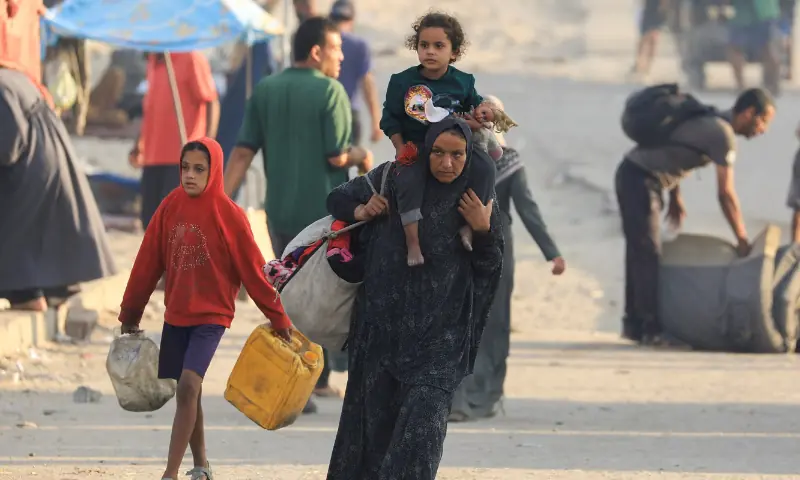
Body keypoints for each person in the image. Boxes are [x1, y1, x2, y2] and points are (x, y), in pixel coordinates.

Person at [325, 117, 503, 479]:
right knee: (370, 438)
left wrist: (482, 230)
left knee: (423, 433)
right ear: (426, 151)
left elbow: (490, 265)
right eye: (438, 153)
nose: (447, 163)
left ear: (469, 155)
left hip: (440, 340)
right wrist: (363, 209)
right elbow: (337, 199)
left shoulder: (477, 198)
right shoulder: (394, 177)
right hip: (381, 335)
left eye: (457, 155)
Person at [118, 138, 292, 480]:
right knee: (189, 393)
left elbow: (254, 270)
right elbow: (147, 262)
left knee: (187, 385)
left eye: (199, 169)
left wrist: (278, 316)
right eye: (185, 168)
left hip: (212, 316)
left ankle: (169, 473)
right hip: (176, 315)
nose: (190, 176)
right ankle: (201, 465)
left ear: (213, 172)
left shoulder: (229, 214)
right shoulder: (170, 206)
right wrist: (131, 312)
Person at [223, 17, 372, 409]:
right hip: (325, 216)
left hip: (280, 210)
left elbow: (241, 152)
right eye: (336, 49)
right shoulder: (331, 92)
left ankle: (295, 376)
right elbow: (337, 154)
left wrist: (218, 201)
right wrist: (361, 155)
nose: (341, 57)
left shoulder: (266, 90)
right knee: (325, 297)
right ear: (317, 51)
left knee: (289, 291)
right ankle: (312, 379)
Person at [616, 88, 775, 345]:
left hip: (636, 176)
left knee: (640, 249)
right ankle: (650, 330)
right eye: (763, 120)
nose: (763, 129)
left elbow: (676, 149)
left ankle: (634, 324)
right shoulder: (722, 135)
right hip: (640, 178)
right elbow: (725, 195)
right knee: (647, 251)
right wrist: (742, 238)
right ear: (747, 113)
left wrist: (675, 195)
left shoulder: (712, 120)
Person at [449, 95, 565, 423]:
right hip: (461, 248)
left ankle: (485, 396)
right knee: (464, 322)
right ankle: (459, 399)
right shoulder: (455, 157)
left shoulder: (505, 160)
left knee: (493, 321)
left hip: (497, 249)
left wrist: (551, 252)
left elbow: (528, 210)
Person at [380, 11, 505, 267]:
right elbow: (389, 118)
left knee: (486, 167)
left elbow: (478, 108)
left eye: (439, 46)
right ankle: (413, 243)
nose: (430, 52)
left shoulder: (464, 81)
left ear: (454, 52)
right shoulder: (401, 82)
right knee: (407, 181)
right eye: (424, 45)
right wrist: (400, 146)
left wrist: (481, 114)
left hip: (456, 149)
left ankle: (470, 227)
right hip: (419, 148)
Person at [0, 67, 117, 310]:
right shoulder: (15, 78)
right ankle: (57, 293)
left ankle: (26, 298)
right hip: (48, 158)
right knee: (51, 226)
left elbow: (7, 147)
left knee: (15, 231)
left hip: (31, 164)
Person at [128, 52, 220, 230]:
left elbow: (211, 101)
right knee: (150, 220)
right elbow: (152, 108)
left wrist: (208, 144)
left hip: (182, 157)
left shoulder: (191, 57)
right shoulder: (153, 62)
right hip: (153, 157)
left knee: (176, 222)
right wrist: (138, 143)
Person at [329, 0, 381, 149]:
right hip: (349, 113)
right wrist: (375, 121)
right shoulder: (359, 45)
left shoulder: (324, 43)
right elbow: (367, 83)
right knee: (349, 161)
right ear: (352, 20)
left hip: (324, 110)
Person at [728, 0, 782, 95]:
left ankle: (772, 85)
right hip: (757, 12)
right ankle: (773, 85)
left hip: (759, 13)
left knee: (767, 48)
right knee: (767, 48)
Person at [630, 0, 668, 80]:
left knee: (651, 39)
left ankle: (646, 65)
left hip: (655, 11)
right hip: (649, 11)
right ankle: (640, 64)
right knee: (646, 38)